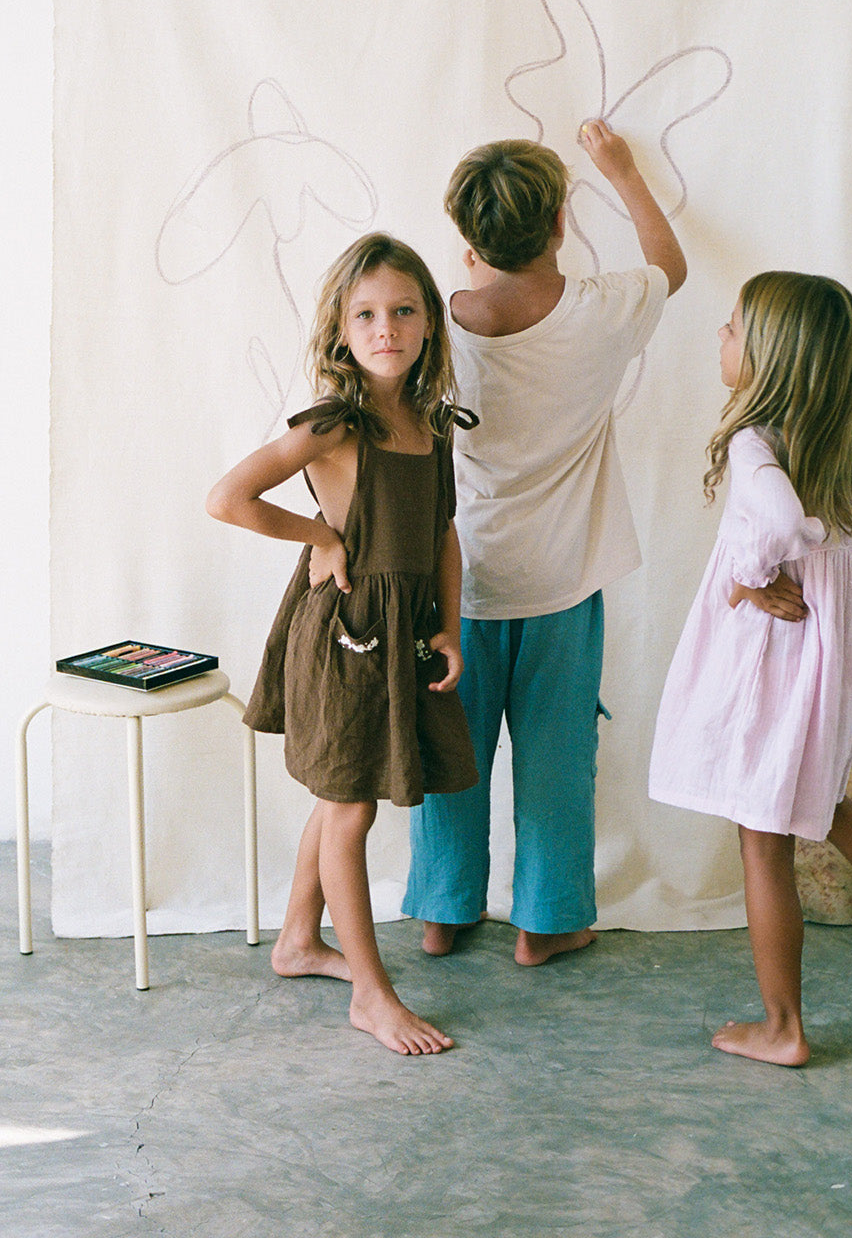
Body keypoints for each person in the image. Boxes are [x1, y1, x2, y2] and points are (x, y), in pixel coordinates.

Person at [649, 272, 852, 1066]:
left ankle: (783, 1027)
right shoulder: (845, 457)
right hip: (829, 673)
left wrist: (753, 576)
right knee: (823, 803)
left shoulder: (757, 445)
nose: (719, 339)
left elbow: (784, 522)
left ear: (768, 361)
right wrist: (834, 610)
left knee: (763, 841)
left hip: (774, 675)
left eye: (730, 330)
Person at [403, 120, 686, 964]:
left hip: (455, 585)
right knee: (559, 762)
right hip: (563, 584)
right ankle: (547, 924)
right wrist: (623, 169)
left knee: (451, 756)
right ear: (561, 224)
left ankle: (444, 915)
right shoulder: (602, 311)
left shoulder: (430, 329)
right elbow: (669, 263)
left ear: (464, 236)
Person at [207, 233, 478, 1055]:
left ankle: (298, 940)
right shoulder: (337, 423)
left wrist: (449, 622)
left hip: (403, 638)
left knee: (339, 802)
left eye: (402, 311)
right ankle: (371, 992)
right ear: (340, 329)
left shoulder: (431, 425)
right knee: (351, 808)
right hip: (346, 640)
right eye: (365, 315)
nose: (385, 328)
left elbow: (443, 535)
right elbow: (229, 496)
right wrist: (321, 535)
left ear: (429, 321)